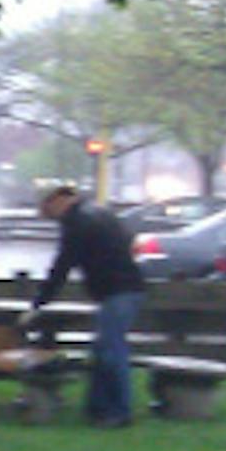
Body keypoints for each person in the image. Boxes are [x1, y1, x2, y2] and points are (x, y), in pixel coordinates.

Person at [28, 183, 146, 428]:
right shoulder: (97, 212)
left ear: (58, 200)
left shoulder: (77, 222)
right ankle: (98, 408)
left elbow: (62, 265)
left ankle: (118, 412)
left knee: (111, 352)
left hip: (117, 291)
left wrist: (39, 302)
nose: (47, 215)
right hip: (125, 288)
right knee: (104, 350)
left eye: (46, 208)